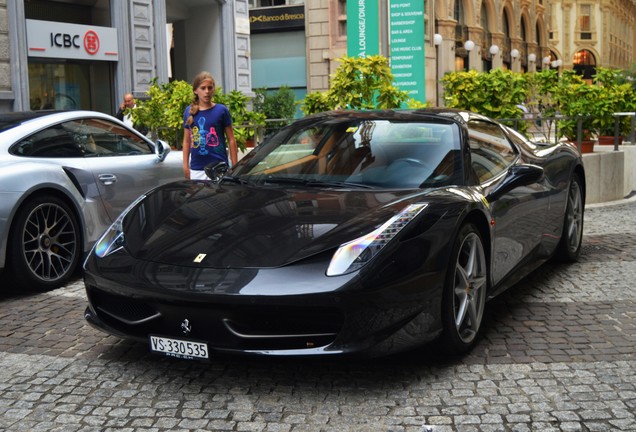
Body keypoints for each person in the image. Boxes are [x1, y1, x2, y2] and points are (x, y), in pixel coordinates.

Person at [182, 72, 238, 180]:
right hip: (196, 169)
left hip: (219, 168)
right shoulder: (188, 112)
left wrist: (235, 166)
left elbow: (231, 139)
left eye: (210, 88)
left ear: (213, 89)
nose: (207, 92)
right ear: (195, 90)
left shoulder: (221, 110)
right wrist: (185, 167)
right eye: (203, 88)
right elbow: (186, 141)